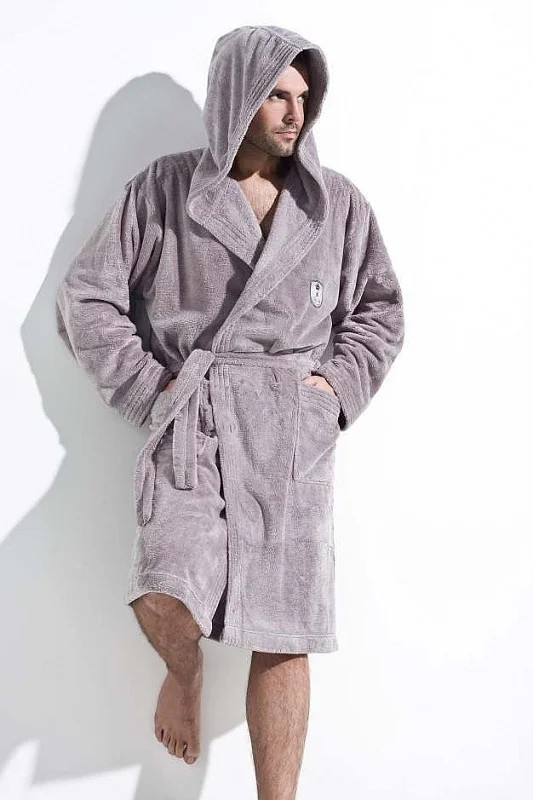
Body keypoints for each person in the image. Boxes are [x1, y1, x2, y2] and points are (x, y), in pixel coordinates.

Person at [56, 23, 404, 796]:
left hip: (288, 432)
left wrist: (334, 394)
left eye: (303, 97)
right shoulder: (165, 190)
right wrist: (151, 390)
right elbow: (88, 299)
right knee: (163, 587)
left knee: (282, 630)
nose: (294, 113)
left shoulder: (335, 204)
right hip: (195, 419)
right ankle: (184, 672)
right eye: (276, 95)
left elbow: (379, 309)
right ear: (235, 96)